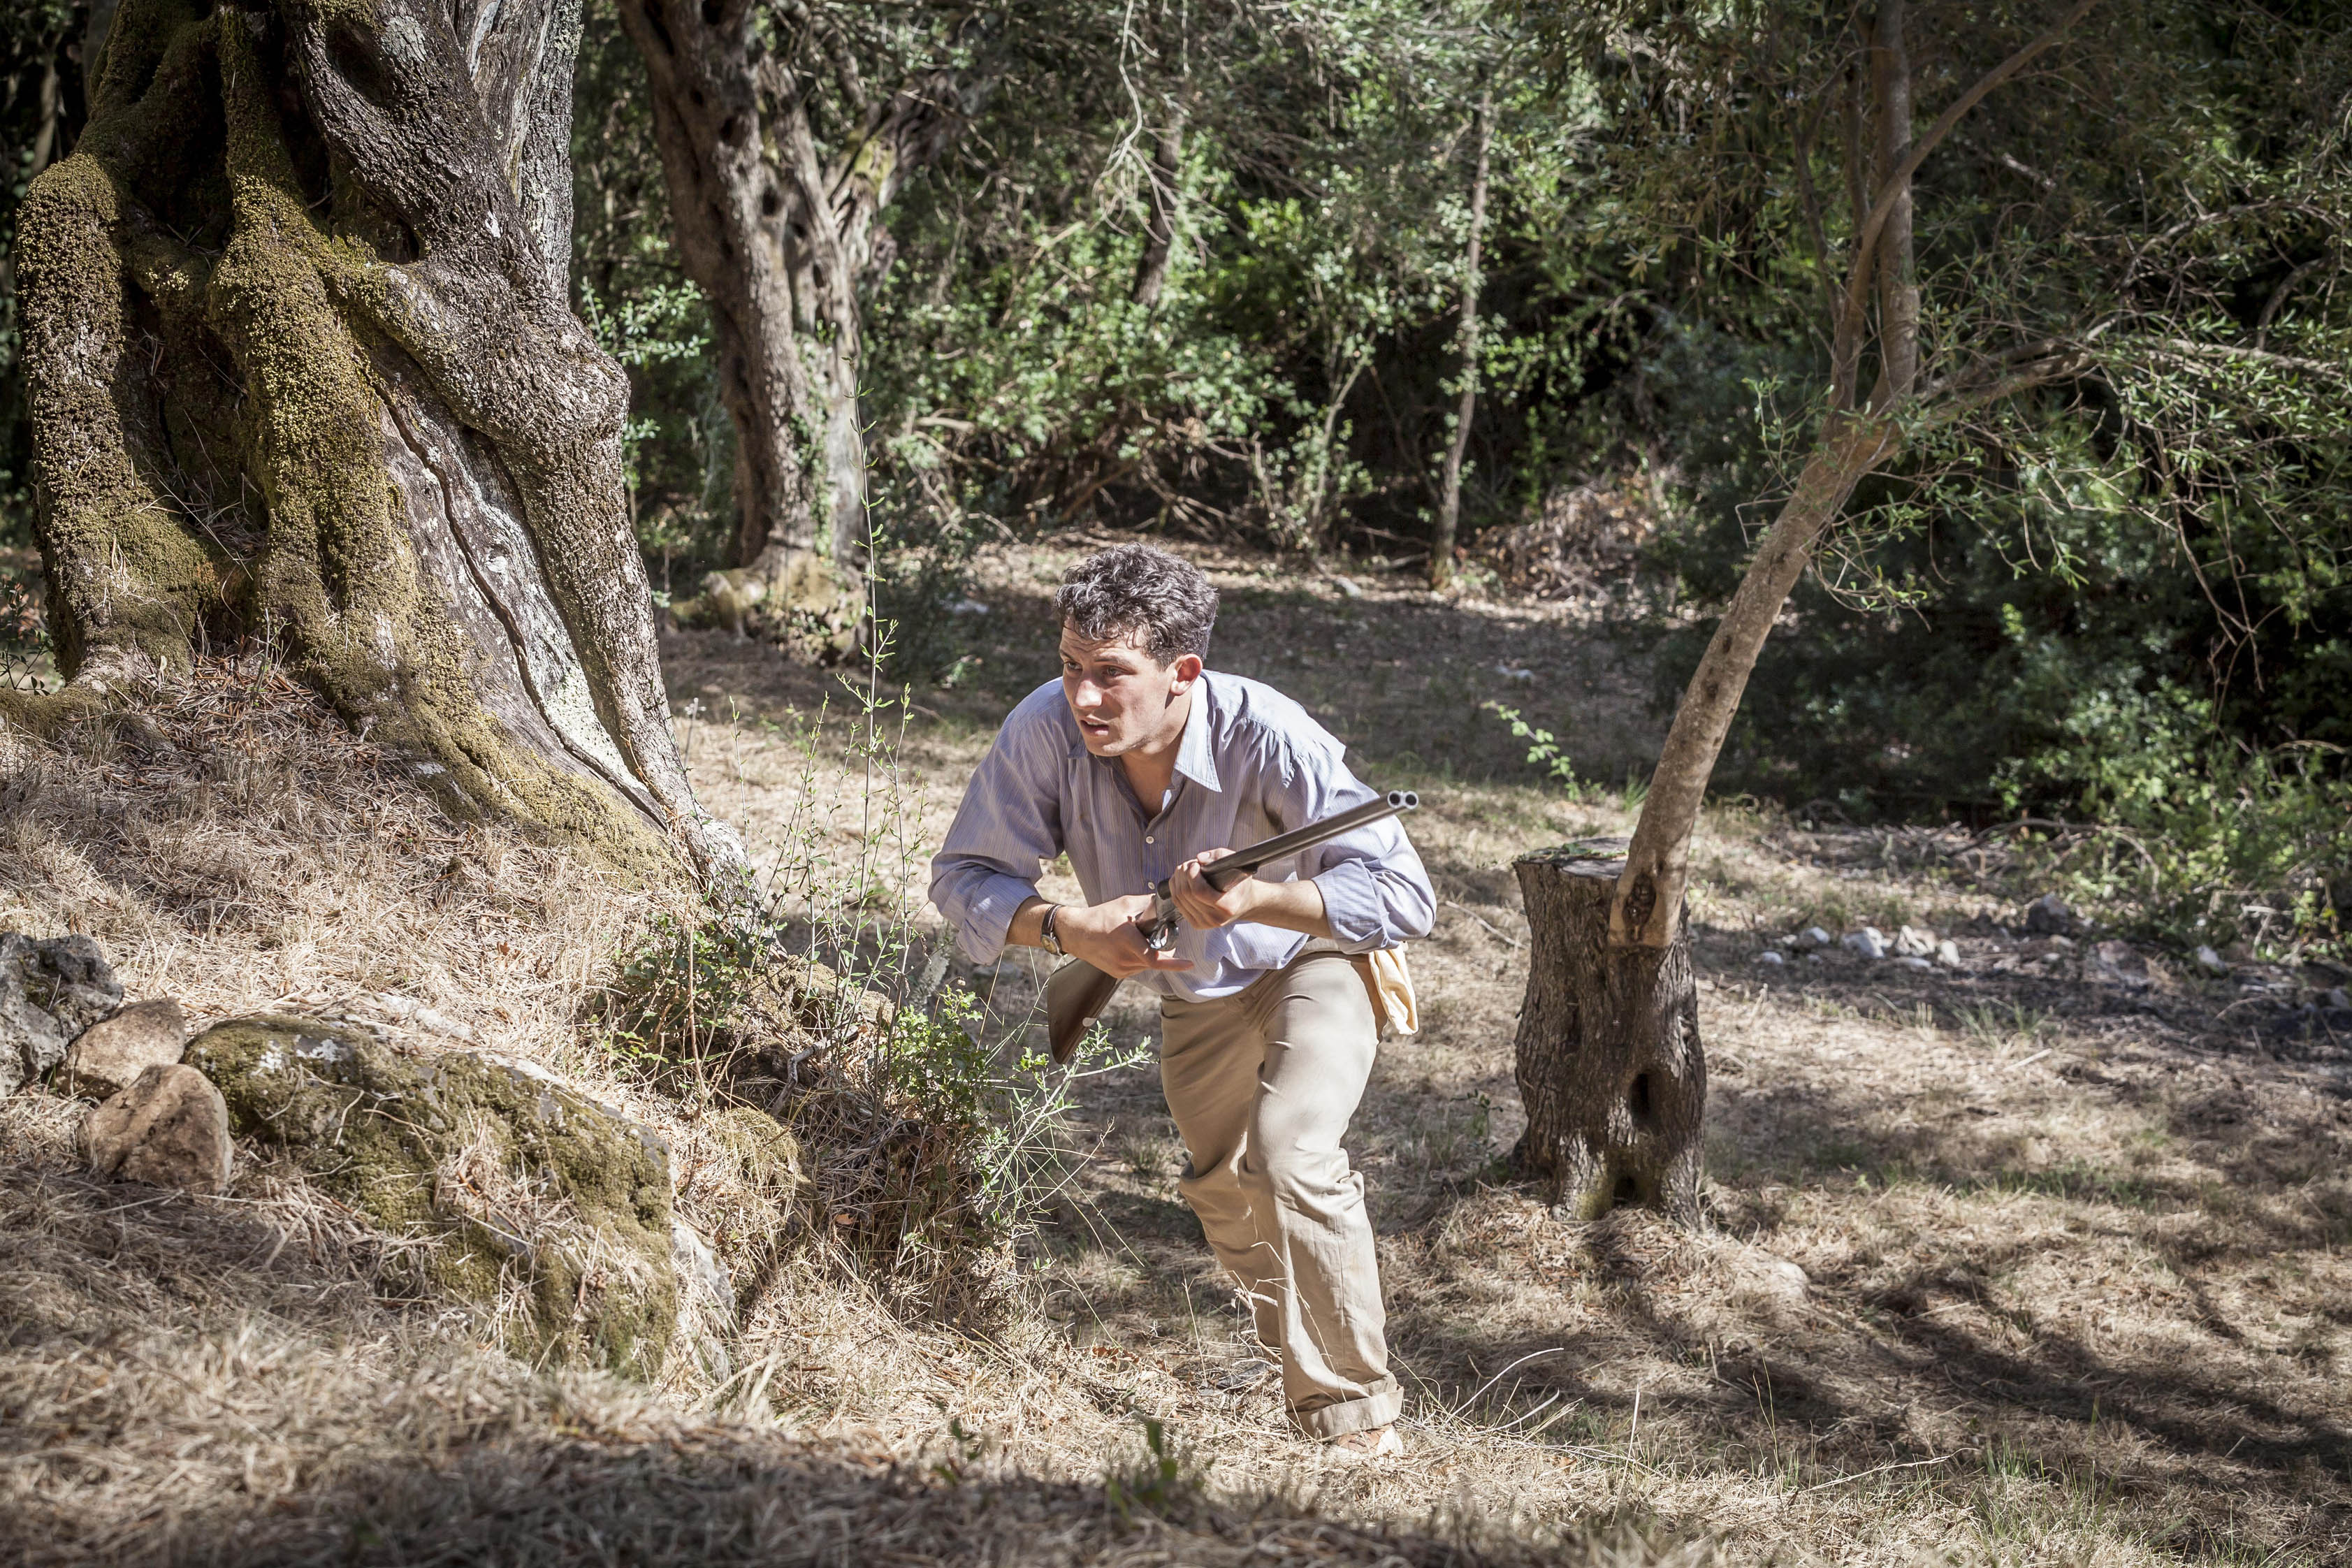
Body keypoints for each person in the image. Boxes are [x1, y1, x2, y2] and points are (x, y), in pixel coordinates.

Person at [929, 544, 1434, 1457]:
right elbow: (963, 876)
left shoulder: (1269, 733)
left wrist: (1259, 896)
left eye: (1111, 674)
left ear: (1183, 672)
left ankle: (1355, 1418)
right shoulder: (1043, 728)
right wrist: (1066, 930)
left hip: (1310, 963)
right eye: (1070, 667)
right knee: (1221, 1193)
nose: (1084, 697)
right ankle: (1294, 1360)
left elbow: (1405, 896)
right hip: (1194, 995)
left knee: (1291, 1157)